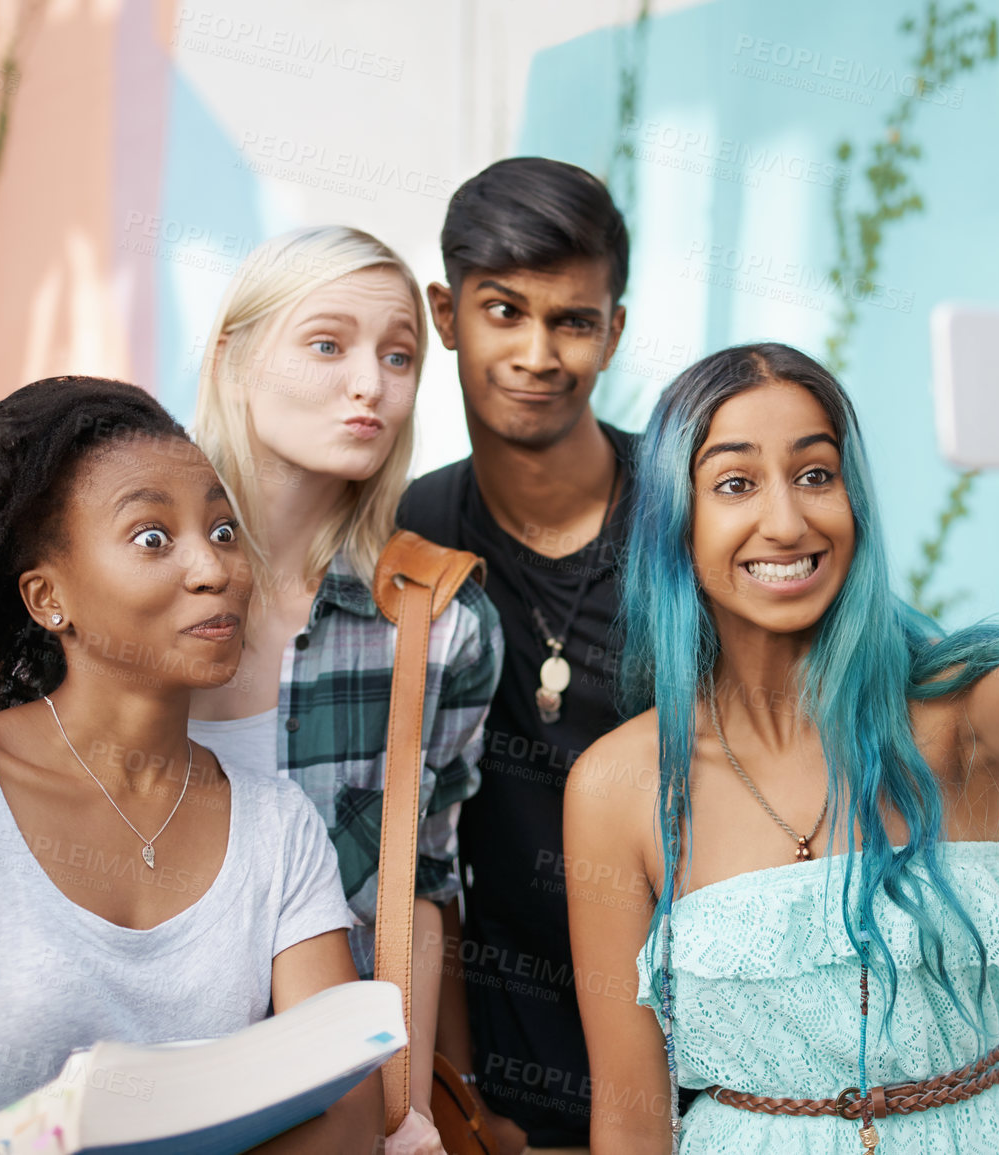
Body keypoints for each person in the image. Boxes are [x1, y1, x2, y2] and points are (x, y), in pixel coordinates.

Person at [565, 291, 999, 1152]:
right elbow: (630, 1116)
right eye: (736, 482)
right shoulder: (615, 786)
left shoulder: (952, 718)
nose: (786, 520)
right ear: (677, 522)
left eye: (816, 474)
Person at [0, 378, 383, 1154]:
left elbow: (349, 1120)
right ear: (48, 598)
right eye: (152, 536)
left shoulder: (278, 827)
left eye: (221, 529)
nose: (213, 568)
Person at [189, 226, 504, 1155]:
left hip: (330, 1111)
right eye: (327, 344)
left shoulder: (438, 622)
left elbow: (417, 891)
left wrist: (402, 1109)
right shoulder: (122, 589)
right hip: (136, 1087)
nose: (371, 382)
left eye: (398, 354)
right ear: (234, 359)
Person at [396, 156, 632, 1154]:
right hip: (506, 1054)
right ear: (447, 314)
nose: (538, 353)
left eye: (573, 321)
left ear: (613, 330)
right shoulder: (413, 529)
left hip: (698, 1039)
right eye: (505, 312)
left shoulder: (695, 513)